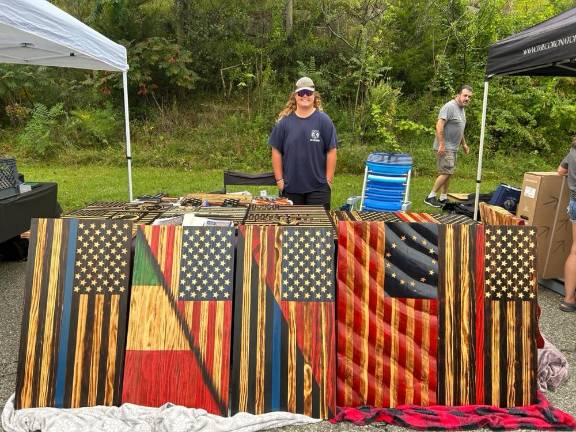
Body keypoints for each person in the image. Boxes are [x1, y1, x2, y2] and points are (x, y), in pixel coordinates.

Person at [269, 77, 338, 210]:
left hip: (318, 189)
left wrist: (328, 181)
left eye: (308, 92)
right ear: (295, 96)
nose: (305, 95)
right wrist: (279, 180)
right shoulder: (284, 122)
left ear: (314, 96)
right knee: (291, 229)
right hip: (291, 188)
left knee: (318, 229)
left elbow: (332, 150)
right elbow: (276, 150)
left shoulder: (324, 121)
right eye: (301, 93)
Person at [424, 85, 473, 208]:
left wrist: (464, 144)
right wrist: (441, 144)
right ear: (458, 95)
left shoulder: (462, 109)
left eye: (469, 97)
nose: (467, 98)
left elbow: (459, 129)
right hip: (445, 146)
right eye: (465, 95)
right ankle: (430, 196)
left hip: (453, 147)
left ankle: (443, 197)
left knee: (449, 172)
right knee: (446, 172)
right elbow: (439, 125)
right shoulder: (449, 106)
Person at [557, 136, 576, 312]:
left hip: (574, 202)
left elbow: (560, 171)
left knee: (575, 251)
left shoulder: (573, 151)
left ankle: (569, 300)